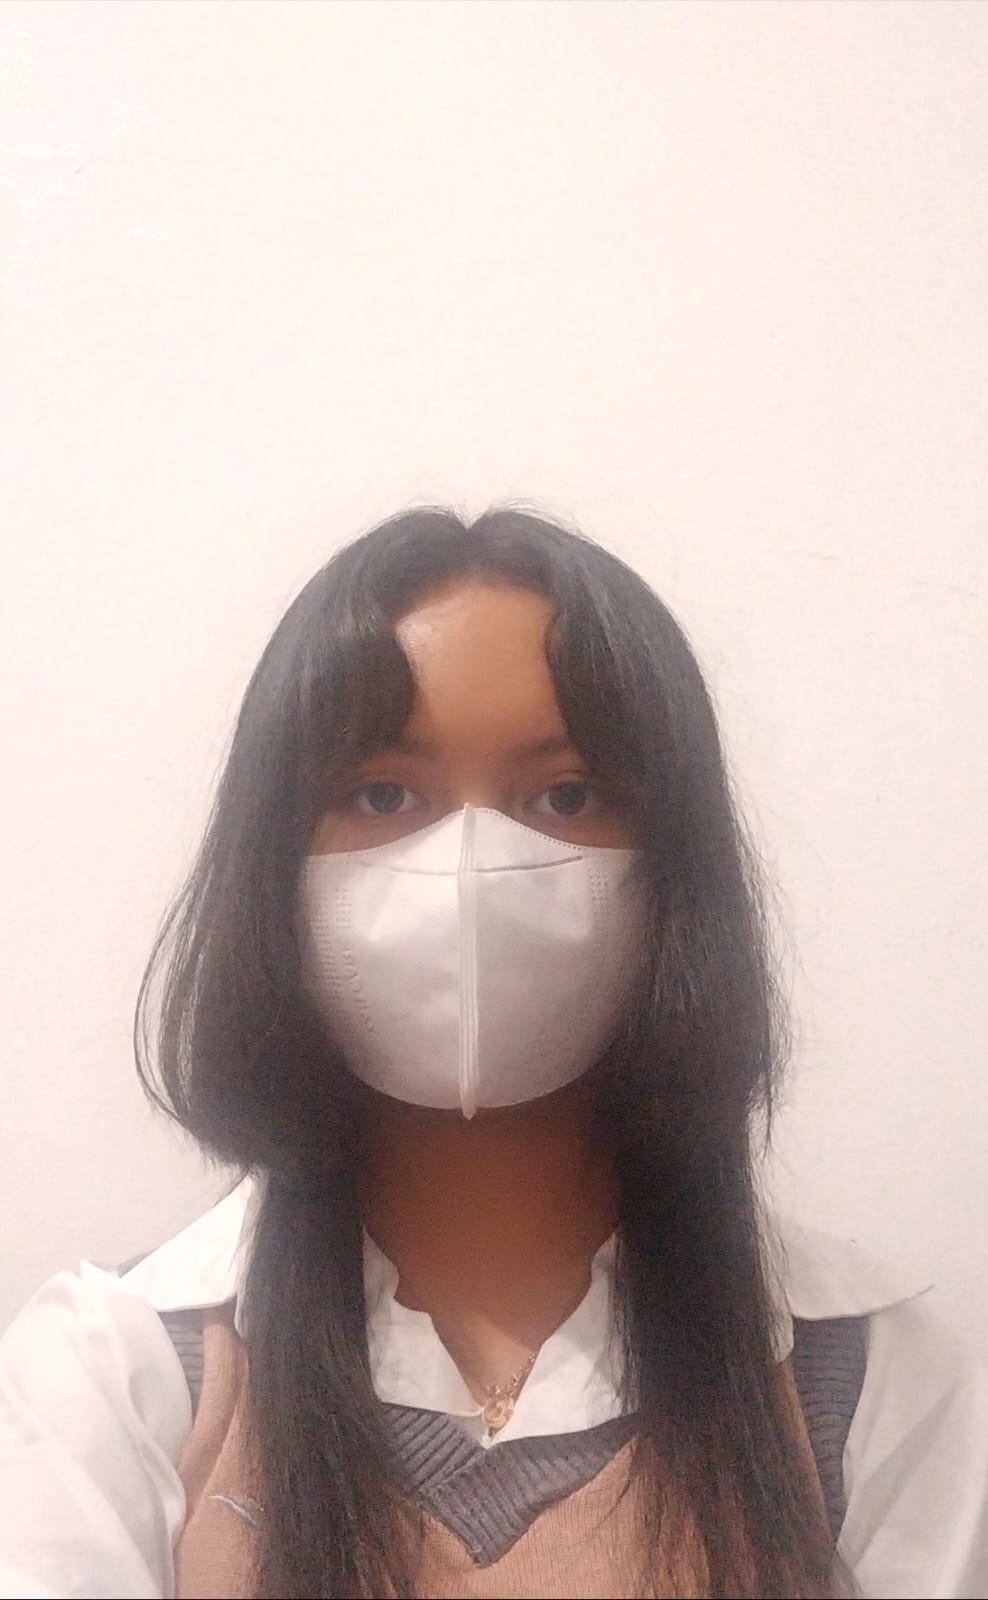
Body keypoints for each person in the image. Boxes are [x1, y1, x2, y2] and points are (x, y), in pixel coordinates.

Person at [1, 507, 986, 1600]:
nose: (470, 872)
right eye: (383, 794)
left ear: (678, 866)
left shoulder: (870, 1379)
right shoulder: (120, 1373)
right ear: (271, 863)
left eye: (566, 795)